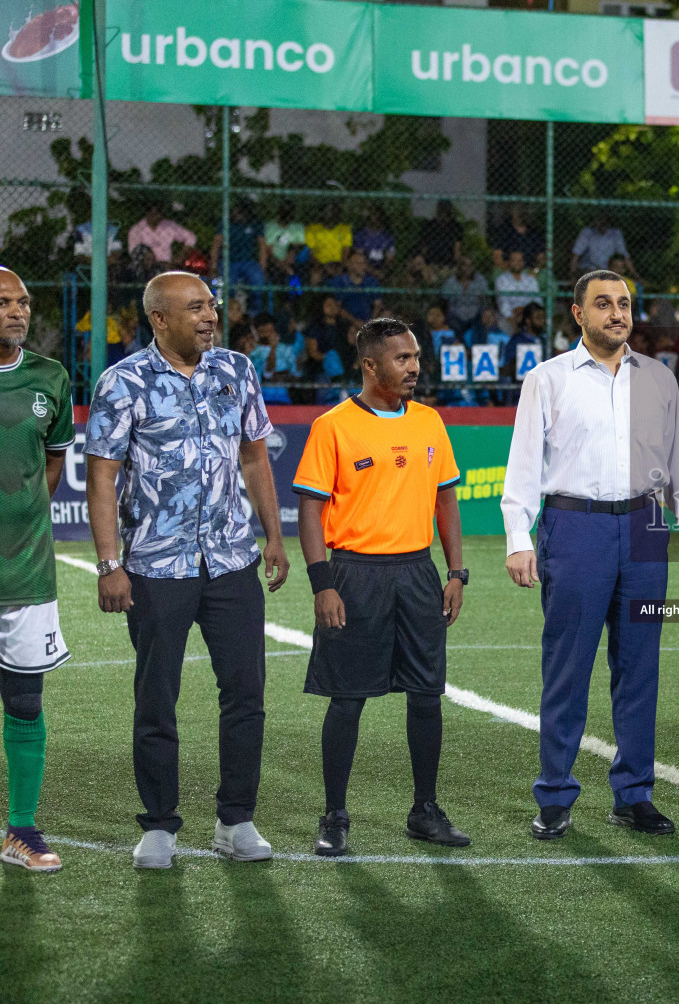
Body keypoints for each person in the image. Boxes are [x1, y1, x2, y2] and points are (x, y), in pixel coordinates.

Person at [85, 271, 289, 869]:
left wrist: (273, 535)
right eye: (196, 307)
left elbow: (254, 456)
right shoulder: (121, 383)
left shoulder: (236, 370)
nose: (210, 316)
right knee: (156, 697)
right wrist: (109, 564)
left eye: (212, 306)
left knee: (246, 692)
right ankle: (158, 827)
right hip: (154, 566)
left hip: (231, 559)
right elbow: (102, 476)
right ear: (159, 319)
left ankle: (236, 821)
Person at [501, 270, 679, 841]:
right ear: (578, 314)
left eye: (623, 304)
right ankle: (555, 794)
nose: (617, 313)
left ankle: (633, 795)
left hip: (645, 525)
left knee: (640, 668)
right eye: (603, 304)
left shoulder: (660, 379)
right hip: (574, 526)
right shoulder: (548, 379)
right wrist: (519, 538)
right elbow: (523, 464)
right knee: (568, 667)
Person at [292, 318, 470, 856]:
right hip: (354, 573)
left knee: (426, 694)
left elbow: (445, 501)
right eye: (401, 358)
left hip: (417, 572)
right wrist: (322, 583)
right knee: (347, 699)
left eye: (415, 357)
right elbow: (310, 506)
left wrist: (456, 572)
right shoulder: (334, 425)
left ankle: (425, 810)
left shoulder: (430, 422)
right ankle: (334, 816)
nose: (414, 366)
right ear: (370, 365)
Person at [0, 269, 75, 872]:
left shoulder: (51, 378)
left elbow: (51, 467)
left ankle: (21, 828)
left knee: (25, 700)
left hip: (26, 574)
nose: (16, 311)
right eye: (3, 303)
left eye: (23, 301)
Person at [127, 205, 197, 266]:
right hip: (144, 265)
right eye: (152, 213)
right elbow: (133, 251)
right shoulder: (137, 229)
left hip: (165, 264)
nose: (155, 217)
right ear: (147, 214)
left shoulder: (169, 226)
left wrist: (181, 255)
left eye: (158, 213)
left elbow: (191, 237)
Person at [328, 249, 382, 327]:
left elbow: (378, 305)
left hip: (367, 321)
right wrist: (355, 322)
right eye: (357, 263)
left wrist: (369, 324)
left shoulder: (372, 282)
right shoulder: (339, 282)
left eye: (363, 263)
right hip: (345, 322)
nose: (361, 266)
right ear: (348, 264)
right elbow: (338, 307)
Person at [441, 257, 489, 334]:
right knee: (452, 323)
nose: (468, 268)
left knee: (482, 321)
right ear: (460, 267)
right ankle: (462, 344)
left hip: (475, 314)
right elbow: (445, 300)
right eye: (465, 265)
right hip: (456, 315)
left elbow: (484, 299)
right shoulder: (451, 282)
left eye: (470, 265)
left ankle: (479, 345)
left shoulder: (479, 280)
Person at [416, 200, 463, 276]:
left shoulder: (455, 226)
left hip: (448, 265)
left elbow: (457, 249)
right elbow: (423, 246)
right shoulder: (430, 225)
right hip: (432, 264)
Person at [304, 202, 352, 276]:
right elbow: (311, 254)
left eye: (333, 211)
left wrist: (341, 267)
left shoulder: (345, 229)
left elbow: (346, 252)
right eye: (327, 211)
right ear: (322, 213)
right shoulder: (312, 229)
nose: (330, 214)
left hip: (338, 264)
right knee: (315, 275)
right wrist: (324, 267)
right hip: (320, 265)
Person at [494, 249, 541, 321]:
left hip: (529, 316)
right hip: (510, 317)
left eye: (520, 261)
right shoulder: (501, 280)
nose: (517, 263)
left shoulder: (531, 280)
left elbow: (538, 301)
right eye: (514, 260)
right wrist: (511, 318)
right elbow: (502, 303)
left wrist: (526, 311)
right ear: (509, 262)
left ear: (523, 263)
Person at [352, 207, 396, 277]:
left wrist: (383, 271)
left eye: (378, 216)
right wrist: (374, 272)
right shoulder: (361, 235)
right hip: (364, 269)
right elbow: (359, 257)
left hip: (381, 270)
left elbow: (390, 259)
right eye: (374, 215)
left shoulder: (388, 236)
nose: (376, 218)